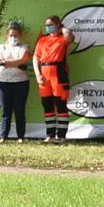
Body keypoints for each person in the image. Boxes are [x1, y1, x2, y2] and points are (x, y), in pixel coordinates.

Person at [35, 15, 74, 143]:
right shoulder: (42, 40)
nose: (48, 27)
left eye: (50, 25)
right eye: (46, 25)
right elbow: (36, 58)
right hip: (44, 73)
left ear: (58, 25)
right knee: (47, 105)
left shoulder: (63, 38)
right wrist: (37, 74)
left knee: (61, 105)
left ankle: (61, 136)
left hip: (58, 73)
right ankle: (50, 135)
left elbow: (69, 35)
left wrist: (62, 28)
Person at [0, 20, 31, 141]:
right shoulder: (0, 47)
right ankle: (3, 136)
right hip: (3, 82)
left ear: (20, 35)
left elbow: (22, 60)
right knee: (5, 111)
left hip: (21, 82)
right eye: (11, 35)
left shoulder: (25, 47)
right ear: (7, 35)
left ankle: (20, 136)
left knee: (19, 110)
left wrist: (7, 63)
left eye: (16, 35)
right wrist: (14, 63)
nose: (13, 37)